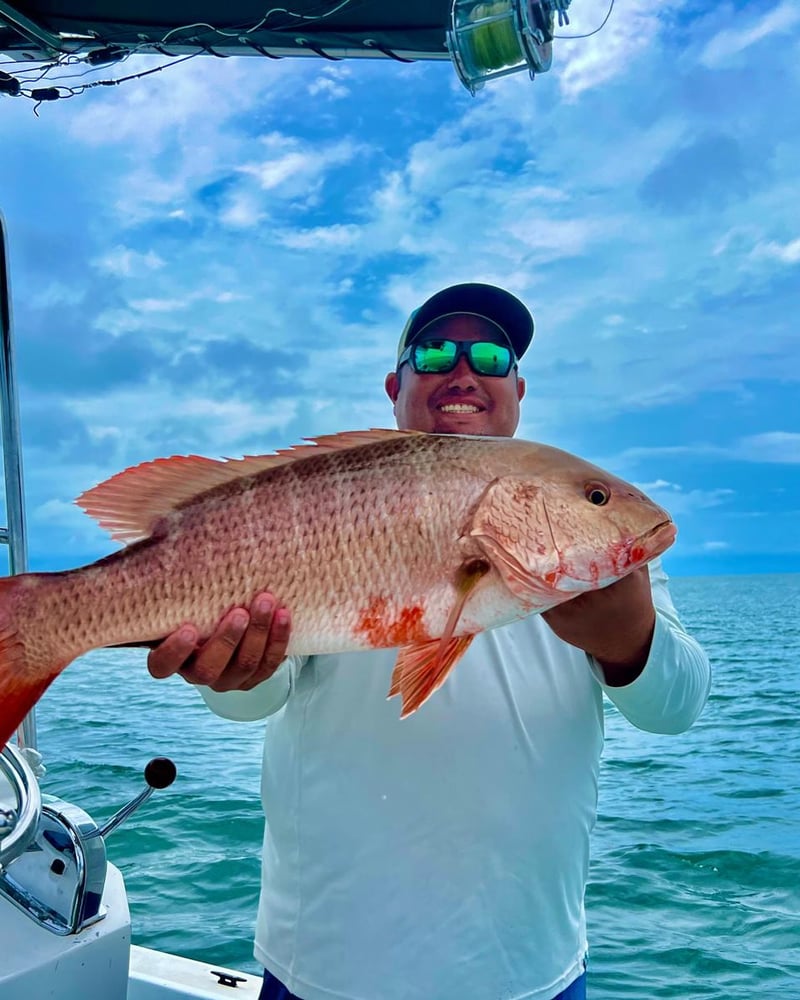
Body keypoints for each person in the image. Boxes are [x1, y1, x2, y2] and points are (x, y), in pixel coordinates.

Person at [147, 283, 711, 1000]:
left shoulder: (614, 557)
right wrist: (227, 674)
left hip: (530, 969)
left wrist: (632, 641)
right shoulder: (330, 502)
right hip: (325, 968)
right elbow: (251, 703)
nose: (463, 370)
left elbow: (678, 706)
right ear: (396, 385)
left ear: (518, 388)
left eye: (491, 355)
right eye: (437, 352)